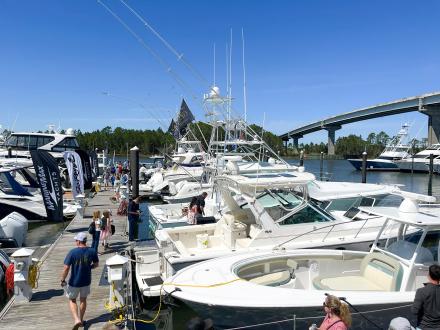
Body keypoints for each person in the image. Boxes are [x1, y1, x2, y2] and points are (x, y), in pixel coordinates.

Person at [61, 232, 99, 330]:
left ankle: (76, 319)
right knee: (83, 299)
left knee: (72, 299)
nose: (75, 242)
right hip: (86, 281)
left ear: (78, 241)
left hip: (74, 282)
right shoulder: (92, 251)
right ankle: (81, 321)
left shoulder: (72, 252)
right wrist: (89, 267)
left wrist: (62, 279)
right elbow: (96, 264)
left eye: (76, 240)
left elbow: (66, 268)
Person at [411, 264, 440, 329]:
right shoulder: (422, 291)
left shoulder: (421, 291)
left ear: (429, 276)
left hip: (424, 327)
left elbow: (414, 311)